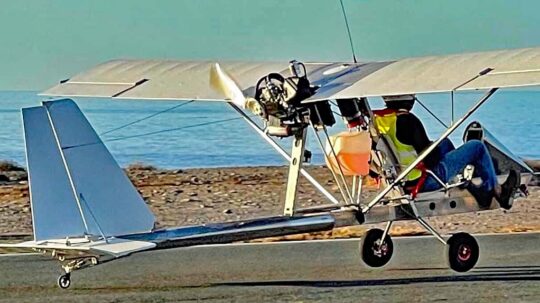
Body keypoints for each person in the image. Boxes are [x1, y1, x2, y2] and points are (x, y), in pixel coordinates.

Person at [373, 94, 519, 209]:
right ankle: (495, 192)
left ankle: (463, 181)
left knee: (445, 142)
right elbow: (430, 159)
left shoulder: (379, 120)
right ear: (408, 100)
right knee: (476, 146)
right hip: (424, 181)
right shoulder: (408, 121)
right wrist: (432, 147)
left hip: (397, 180)